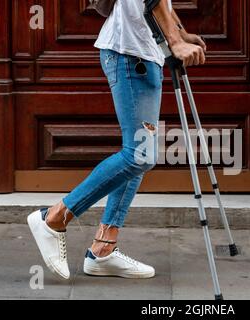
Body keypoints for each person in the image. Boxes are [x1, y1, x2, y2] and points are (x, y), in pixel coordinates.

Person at [27, 0, 206, 280]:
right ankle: (53, 218)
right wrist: (174, 40)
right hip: (130, 54)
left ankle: (103, 249)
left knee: (139, 157)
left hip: (141, 52)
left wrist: (180, 32)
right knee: (139, 155)